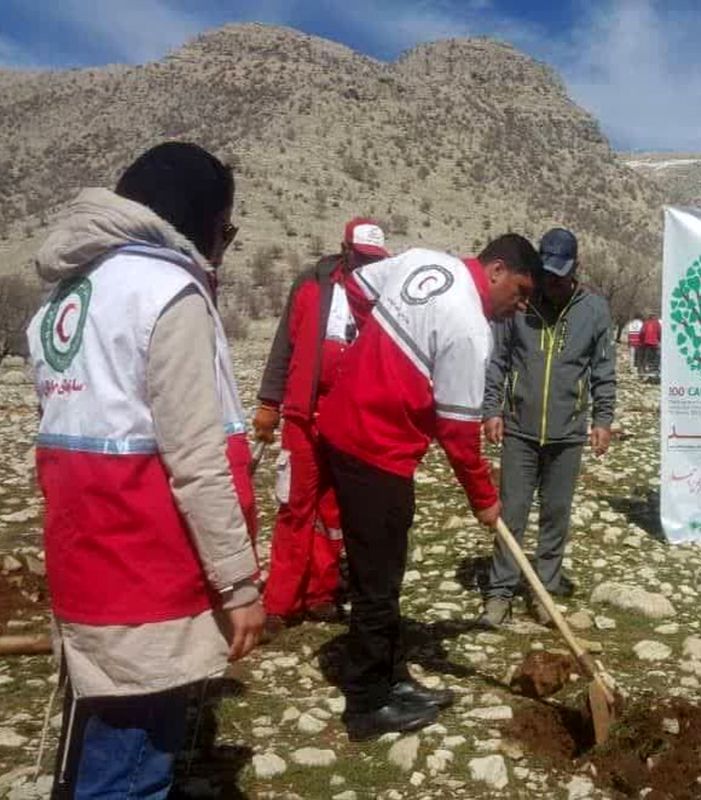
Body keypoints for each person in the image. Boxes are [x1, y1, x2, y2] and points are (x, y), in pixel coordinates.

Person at [28, 142, 263, 798]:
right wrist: (239, 583)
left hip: (86, 568)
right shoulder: (168, 293)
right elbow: (196, 459)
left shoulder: (62, 299)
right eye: (227, 229)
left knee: (93, 741)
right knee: (133, 765)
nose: (225, 244)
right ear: (199, 220)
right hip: (146, 576)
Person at [317, 234, 538, 741]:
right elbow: (459, 435)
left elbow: (355, 286)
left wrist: (367, 352)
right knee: (378, 580)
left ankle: (392, 678)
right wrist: (485, 500)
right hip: (374, 448)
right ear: (497, 270)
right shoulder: (470, 329)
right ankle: (367, 704)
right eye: (521, 291)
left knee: (384, 568)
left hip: (345, 428)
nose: (520, 304)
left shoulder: (423, 261)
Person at [253, 219, 391, 639]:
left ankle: (321, 592)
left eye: (373, 260)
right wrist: (268, 403)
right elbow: (285, 345)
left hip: (347, 419)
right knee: (295, 504)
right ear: (344, 249)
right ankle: (280, 603)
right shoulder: (310, 286)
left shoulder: (381, 296)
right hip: (302, 414)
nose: (366, 265)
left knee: (333, 510)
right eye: (361, 257)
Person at [478, 228, 616, 626]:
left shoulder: (594, 310)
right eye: (547, 273)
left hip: (568, 433)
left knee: (556, 514)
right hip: (519, 430)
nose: (552, 282)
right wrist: (492, 410)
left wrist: (602, 419)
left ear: (576, 268)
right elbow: (498, 361)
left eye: (560, 274)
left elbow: (603, 370)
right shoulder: (520, 304)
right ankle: (500, 593)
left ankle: (544, 591)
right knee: (512, 513)